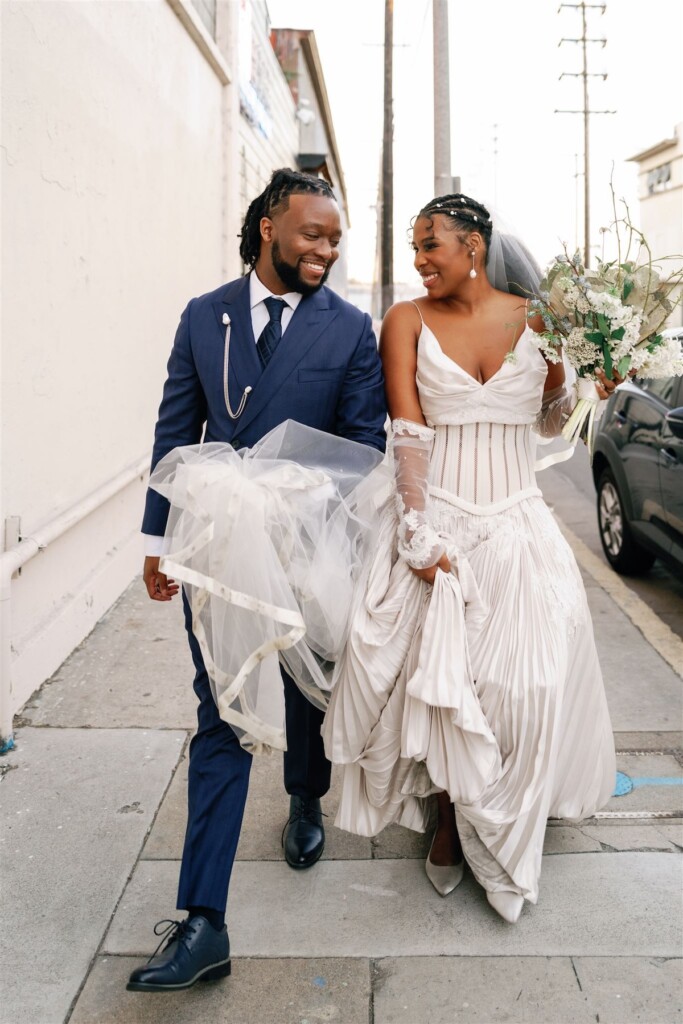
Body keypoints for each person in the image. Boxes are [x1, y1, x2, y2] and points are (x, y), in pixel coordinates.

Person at [322, 193, 616, 924]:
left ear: (474, 246)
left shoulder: (539, 320)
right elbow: (408, 432)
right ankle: (451, 821)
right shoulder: (406, 321)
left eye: (431, 245)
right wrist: (418, 532)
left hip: (519, 524)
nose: (419, 259)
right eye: (414, 247)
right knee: (447, 687)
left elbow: (548, 418)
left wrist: (588, 387)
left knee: (525, 685)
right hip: (441, 522)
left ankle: (513, 807)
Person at [127, 169, 387, 992]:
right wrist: (156, 541)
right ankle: (204, 919)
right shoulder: (205, 316)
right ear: (270, 225)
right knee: (224, 708)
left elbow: (363, 447)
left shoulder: (349, 330)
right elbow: (176, 428)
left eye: (334, 239)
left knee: (307, 690)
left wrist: (289, 496)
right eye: (311, 233)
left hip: (309, 545)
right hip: (217, 551)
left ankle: (305, 796)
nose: (324, 250)